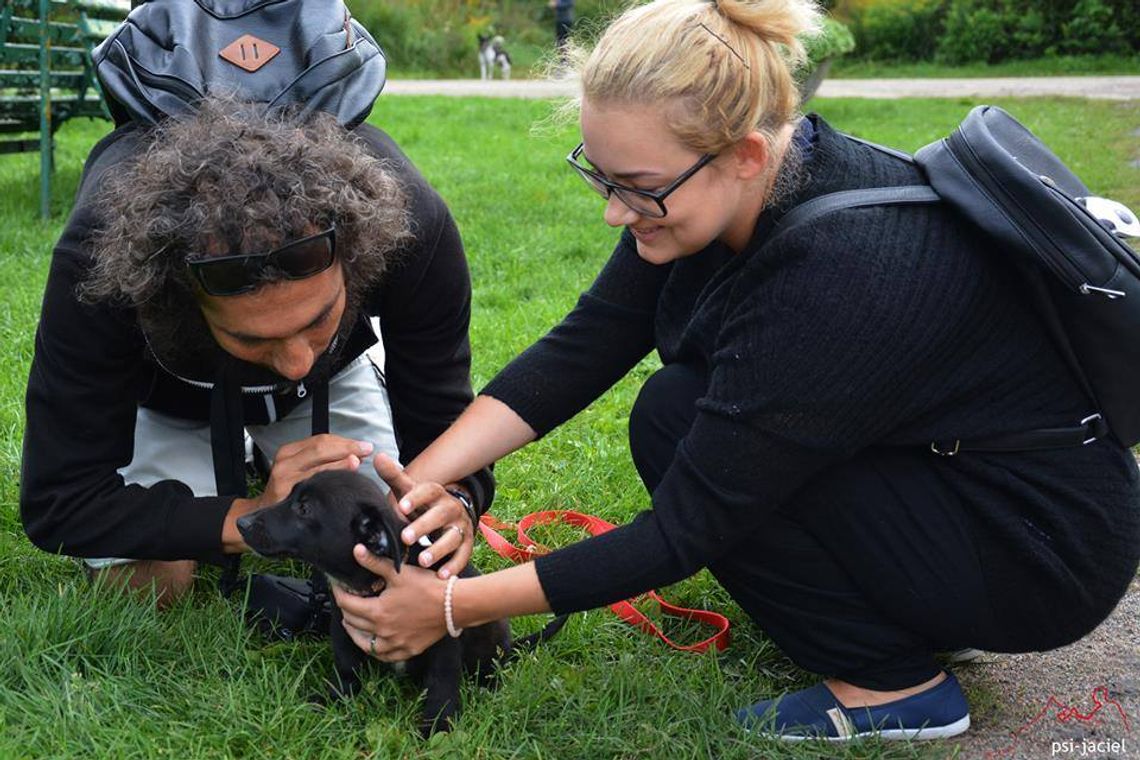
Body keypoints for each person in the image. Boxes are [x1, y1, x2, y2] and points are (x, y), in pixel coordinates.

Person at [333, 0, 1139, 743]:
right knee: (672, 409)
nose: (616, 211)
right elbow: (588, 343)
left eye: (638, 190)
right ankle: (897, 616)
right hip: (955, 485)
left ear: (747, 154)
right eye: (601, 177)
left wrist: (448, 604)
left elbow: (684, 532)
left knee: (687, 433)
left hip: (1037, 550)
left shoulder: (835, 275)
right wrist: (417, 482)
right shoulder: (719, 188)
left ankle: (894, 686)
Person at [20, 96, 492, 610]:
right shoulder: (99, 260)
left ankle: (270, 429)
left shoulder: (410, 222)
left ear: (356, 259)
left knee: (402, 550)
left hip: (333, 386)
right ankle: (249, 459)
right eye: (252, 337)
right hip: (173, 392)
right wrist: (245, 515)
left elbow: (446, 427)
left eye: (318, 319)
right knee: (148, 587)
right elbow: (61, 500)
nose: (297, 362)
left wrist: (458, 499)